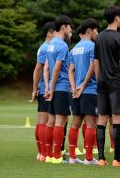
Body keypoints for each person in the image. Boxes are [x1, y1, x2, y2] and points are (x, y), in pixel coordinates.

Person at [94, 5, 120, 167]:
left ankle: (101, 159)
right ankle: (117, 159)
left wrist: (99, 80)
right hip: (116, 83)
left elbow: (96, 62)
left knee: (102, 119)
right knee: (117, 119)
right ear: (117, 17)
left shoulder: (99, 37)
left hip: (102, 83)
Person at [68, 19, 99, 164]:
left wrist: (75, 87)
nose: (97, 33)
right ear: (89, 31)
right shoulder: (92, 46)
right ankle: (88, 158)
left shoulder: (74, 49)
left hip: (76, 91)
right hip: (89, 90)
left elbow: (70, 71)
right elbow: (93, 67)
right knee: (91, 123)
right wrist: (83, 86)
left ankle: (73, 157)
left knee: (75, 123)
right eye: (96, 31)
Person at [44, 15, 73, 164]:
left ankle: (49, 155)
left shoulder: (50, 44)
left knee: (51, 121)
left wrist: (48, 87)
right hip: (61, 87)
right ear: (63, 27)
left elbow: (47, 67)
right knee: (60, 122)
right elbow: (56, 69)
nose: (71, 29)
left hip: (53, 87)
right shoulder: (62, 45)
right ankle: (57, 156)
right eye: (69, 27)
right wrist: (53, 88)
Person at [32, 22, 55, 162]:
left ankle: (41, 153)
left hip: (43, 88)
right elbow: (38, 69)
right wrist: (35, 89)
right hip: (46, 89)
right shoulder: (46, 48)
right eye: (55, 31)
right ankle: (45, 153)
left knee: (41, 122)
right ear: (49, 33)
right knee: (45, 122)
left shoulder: (43, 47)